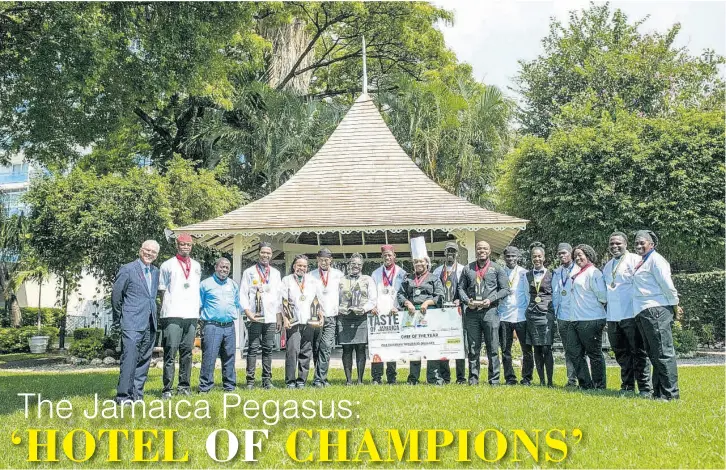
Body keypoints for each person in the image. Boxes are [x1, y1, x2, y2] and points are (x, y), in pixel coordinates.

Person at [632, 230, 682, 400]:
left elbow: (667, 285)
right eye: (637, 243)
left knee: (663, 353)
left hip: (656, 310)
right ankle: (659, 393)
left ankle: (671, 395)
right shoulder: (642, 261)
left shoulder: (656, 260)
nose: (639, 245)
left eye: (642, 242)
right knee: (654, 354)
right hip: (644, 311)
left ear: (651, 244)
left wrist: (675, 306)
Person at [602, 231, 652, 396]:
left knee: (638, 352)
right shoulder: (608, 266)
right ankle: (627, 386)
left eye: (618, 243)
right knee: (621, 353)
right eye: (612, 244)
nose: (615, 246)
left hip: (631, 314)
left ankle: (645, 387)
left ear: (626, 244)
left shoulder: (635, 260)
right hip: (613, 316)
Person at [112, 240, 160, 404]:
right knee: (130, 359)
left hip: (150, 322)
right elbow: (116, 297)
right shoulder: (128, 269)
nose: (149, 254)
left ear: (156, 255)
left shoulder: (155, 272)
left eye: (153, 252)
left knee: (144, 360)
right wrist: (121, 317)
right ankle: (123, 397)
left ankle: (137, 395)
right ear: (140, 250)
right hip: (132, 322)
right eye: (147, 250)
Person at [458, 241, 510, 385]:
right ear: (476, 250)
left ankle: (494, 380)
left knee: (492, 347)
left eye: (485, 248)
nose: (482, 250)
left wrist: (491, 299)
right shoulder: (468, 268)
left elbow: (505, 289)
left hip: (490, 311)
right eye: (479, 248)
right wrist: (467, 300)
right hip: (472, 313)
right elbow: (460, 288)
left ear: (490, 250)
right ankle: (473, 379)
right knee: (473, 348)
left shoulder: (497, 268)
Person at [158, 234, 202, 399]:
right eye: (182, 244)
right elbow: (162, 290)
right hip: (172, 313)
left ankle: (184, 386)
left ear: (192, 246)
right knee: (171, 352)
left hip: (191, 314)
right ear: (177, 245)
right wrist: (167, 308)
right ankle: (167, 389)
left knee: (187, 352)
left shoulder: (197, 266)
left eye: (188, 245)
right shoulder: (167, 265)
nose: (186, 247)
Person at [397, 237, 445, 385]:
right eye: (416, 262)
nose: (418, 264)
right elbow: (400, 294)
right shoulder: (408, 278)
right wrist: (407, 303)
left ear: (427, 263)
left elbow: (440, 295)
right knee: (414, 348)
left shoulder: (434, 278)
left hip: (429, 315)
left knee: (431, 347)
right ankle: (413, 379)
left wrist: (428, 302)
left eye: (421, 262)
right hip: (411, 316)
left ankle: (433, 378)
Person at [240, 242, 283, 390]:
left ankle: (267, 380)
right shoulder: (249, 272)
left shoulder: (276, 273)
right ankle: (250, 381)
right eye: (263, 252)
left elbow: (278, 297)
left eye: (268, 253)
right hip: (255, 316)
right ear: (258, 253)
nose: (265, 255)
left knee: (268, 348)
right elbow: (243, 294)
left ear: (271, 255)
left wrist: (279, 317)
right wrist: (247, 312)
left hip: (271, 316)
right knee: (252, 348)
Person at [280, 254, 325, 389]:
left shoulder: (312, 280)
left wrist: (321, 314)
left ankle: (301, 381)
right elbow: (282, 301)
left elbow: (318, 299)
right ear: (294, 266)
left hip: (309, 321)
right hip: (293, 321)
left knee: (306, 351)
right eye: (299, 265)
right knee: (292, 350)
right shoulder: (287, 280)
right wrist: (285, 318)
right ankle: (290, 381)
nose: (302, 268)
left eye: (304, 266)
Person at [567, 244, 608, 389]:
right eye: (575, 256)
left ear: (589, 255)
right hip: (576, 319)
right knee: (575, 353)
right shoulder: (579, 272)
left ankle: (599, 385)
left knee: (594, 354)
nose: (578, 258)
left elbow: (603, 296)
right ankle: (585, 384)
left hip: (591, 319)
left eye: (581, 254)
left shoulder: (594, 272)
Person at [198, 258, 241, 393]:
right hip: (212, 325)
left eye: (227, 268)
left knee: (229, 356)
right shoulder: (205, 284)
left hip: (229, 325)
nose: (224, 270)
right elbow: (198, 304)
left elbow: (237, 303)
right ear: (216, 267)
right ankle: (205, 388)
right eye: (222, 267)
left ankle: (229, 387)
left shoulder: (233, 285)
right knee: (209, 357)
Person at [370, 244, 407, 385]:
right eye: (385, 255)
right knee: (378, 346)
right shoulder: (375, 273)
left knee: (392, 347)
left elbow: (403, 293)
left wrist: (397, 307)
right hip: (379, 315)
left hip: (394, 314)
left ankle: (392, 377)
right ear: (382, 257)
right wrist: (373, 306)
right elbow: (372, 293)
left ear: (394, 256)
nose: (387, 257)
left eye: (390, 255)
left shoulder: (402, 273)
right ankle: (376, 377)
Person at [338, 253, 376, 385]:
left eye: (359, 264)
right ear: (349, 264)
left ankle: (360, 380)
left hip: (361, 317)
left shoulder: (368, 279)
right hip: (345, 317)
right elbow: (335, 298)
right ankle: (348, 380)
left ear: (362, 266)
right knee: (346, 349)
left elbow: (373, 299)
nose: (356, 266)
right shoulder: (341, 280)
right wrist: (338, 308)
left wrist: (364, 309)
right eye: (353, 263)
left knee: (361, 348)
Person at [497, 245, 533, 386]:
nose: (511, 259)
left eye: (513, 256)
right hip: (504, 315)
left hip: (521, 315)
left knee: (527, 350)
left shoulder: (525, 273)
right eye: (508, 256)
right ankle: (510, 378)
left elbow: (529, 293)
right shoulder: (500, 272)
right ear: (504, 258)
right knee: (506, 350)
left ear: (518, 257)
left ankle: (527, 378)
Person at [432, 242, 466, 384]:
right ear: (444, 253)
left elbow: (467, 289)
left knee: (459, 345)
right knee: (443, 344)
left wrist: (461, 301)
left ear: (457, 254)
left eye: (453, 251)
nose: (450, 254)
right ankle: (445, 376)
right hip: (443, 312)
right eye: (448, 251)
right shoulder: (437, 271)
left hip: (458, 312)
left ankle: (460, 377)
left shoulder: (463, 270)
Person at [310, 247, 344, 388]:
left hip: (331, 316)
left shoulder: (339, 274)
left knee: (326, 347)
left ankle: (319, 379)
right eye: (321, 259)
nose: (324, 262)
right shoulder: (311, 275)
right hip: (316, 316)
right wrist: (317, 312)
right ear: (317, 260)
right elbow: (310, 296)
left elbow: (343, 295)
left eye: (326, 259)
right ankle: (320, 378)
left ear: (331, 260)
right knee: (316, 348)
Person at [522, 243, 555, 386]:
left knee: (547, 348)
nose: (537, 259)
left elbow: (555, 293)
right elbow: (525, 294)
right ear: (531, 258)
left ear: (544, 257)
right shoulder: (526, 275)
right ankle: (541, 381)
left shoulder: (552, 274)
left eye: (539, 256)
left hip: (546, 315)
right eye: (534, 256)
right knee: (536, 348)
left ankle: (550, 381)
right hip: (532, 316)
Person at [551, 243, 581, 387]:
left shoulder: (579, 270)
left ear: (571, 254)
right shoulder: (556, 272)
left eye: (564, 253)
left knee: (581, 349)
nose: (562, 256)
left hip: (578, 315)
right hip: (562, 316)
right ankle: (571, 380)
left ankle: (584, 378)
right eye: (559, 254)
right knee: (568, 349)